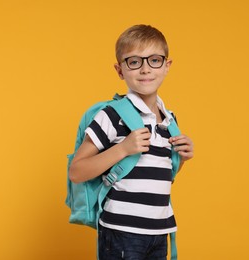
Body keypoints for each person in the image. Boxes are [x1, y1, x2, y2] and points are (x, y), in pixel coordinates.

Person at [69, 24, 194, 260]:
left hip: (160, 230)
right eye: (134, 61)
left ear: (167, 66)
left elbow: (159, 178)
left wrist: (182, 158)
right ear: (120, 70)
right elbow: (76, 171)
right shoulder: (112, 115)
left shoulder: (170, 120)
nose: (145, 69)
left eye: (154, 60)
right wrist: (123, 148)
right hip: (122, 232)